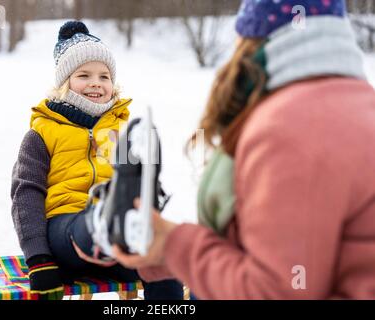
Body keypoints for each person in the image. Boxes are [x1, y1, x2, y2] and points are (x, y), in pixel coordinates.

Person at [112, 0, 375, 299]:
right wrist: (167, 252)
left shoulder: (290, 127)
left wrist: (175, 244)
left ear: (252, 36)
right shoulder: (359, 103)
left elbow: (276, 291)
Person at [11, 20, 183, 300]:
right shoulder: (42, 133)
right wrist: (38, 258)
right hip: (64, 231)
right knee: (94, 221)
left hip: (121, 245)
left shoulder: (121, 132)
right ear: (64, 82)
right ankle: (106, 223)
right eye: (84, 75)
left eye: (104, 76)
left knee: (163, 262)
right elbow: (25, 195)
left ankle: (123, 227)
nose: (96, 83)